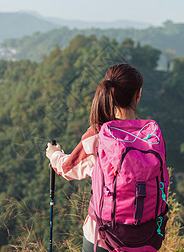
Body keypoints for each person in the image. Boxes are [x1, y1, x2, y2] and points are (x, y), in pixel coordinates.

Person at [46, 63, 149, 252]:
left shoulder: (100, 135)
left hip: (104, 237)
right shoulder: (149, 136)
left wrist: (54, 155)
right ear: (138, 95)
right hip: (145, 236)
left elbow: (68, 169)